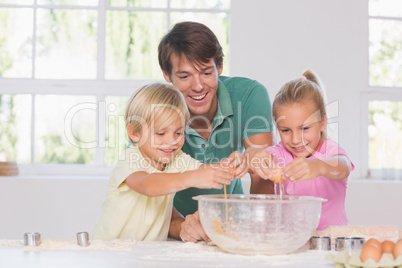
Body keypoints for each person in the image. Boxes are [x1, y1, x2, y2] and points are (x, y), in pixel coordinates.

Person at [158, 21, 275, 242]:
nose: (198, 86)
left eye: (206, 73)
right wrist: (181, 225)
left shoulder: (250, 94)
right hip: (174, 229)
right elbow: (145, 183)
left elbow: (262, 170)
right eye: (184, 77)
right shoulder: (153, 109)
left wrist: (260, 228)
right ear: (167, 75)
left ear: (219, 67)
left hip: (235, 225)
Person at [92, 83, 247, 241]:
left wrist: (230, 165)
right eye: (161, 133)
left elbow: (206, 170)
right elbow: (147, 184)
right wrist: (191, 177)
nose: (171, 141)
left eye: (179, 132)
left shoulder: (177, 159)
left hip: (147, 254)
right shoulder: (130, 159)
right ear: (134, 133)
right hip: (109, 251)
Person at [246, 70, 354, 230]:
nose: (296, 140)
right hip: (295, 244)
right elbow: (252, 156)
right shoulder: (281, 153)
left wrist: (318, 166)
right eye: (286, 130)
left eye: (304, 128)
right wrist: (253, 156)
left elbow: (343, 167)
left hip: (333, 242)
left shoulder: (329, 150)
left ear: (322, 122)